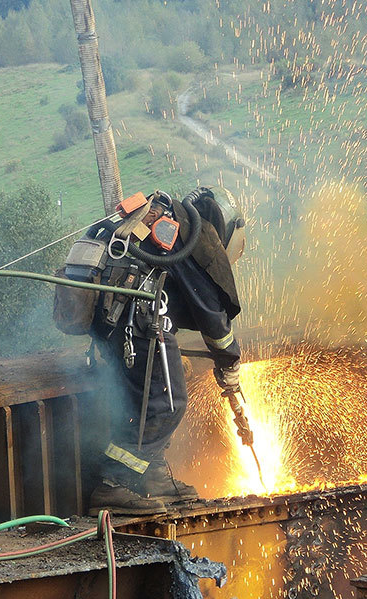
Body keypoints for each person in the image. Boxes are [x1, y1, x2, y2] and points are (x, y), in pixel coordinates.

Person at [82, 187, 246, 515]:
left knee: (145, 404)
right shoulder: (194, 238)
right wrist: (231, 366)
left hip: (115, 324)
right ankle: (111, 485)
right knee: (167, 406)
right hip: (140, 324)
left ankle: (154, 478)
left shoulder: (168, 222)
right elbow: (214, 320)